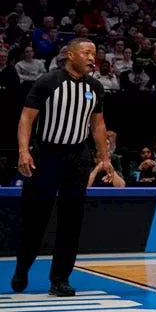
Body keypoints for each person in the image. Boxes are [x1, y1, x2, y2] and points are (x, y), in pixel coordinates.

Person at [13, 38, 112, 297]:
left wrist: (105, 158)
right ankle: (22, 267)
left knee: (72, 220)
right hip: (46, 154)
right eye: (86, 52)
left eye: (94, 53)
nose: (93, 57)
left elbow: (98, 125)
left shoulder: (95, 87)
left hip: (77, 157)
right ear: (70, 55)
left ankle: (60, 279)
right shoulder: (48, 82)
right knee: (35, 218)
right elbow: (26, 118)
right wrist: (23, 151)